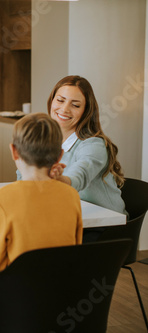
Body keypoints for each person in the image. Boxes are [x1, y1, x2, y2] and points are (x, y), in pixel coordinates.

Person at [0, 113, 83, 274]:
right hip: (62, 292)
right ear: (60, 155)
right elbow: (75, 248)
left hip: (19, 293)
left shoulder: (4, 197)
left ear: (14, 151)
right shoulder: (71, 195)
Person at [46, 75, 126, 241]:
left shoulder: (93, 144)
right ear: (52, 101)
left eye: (75, 105)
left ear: (86, 111)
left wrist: (60, 180)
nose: (65, 109)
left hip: (103, 228)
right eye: (60, 100)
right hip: (70, 218)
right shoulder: (46, 140)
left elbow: (80, 174)